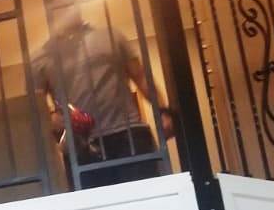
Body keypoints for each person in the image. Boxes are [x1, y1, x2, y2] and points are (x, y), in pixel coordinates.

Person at [30, 11, 173, 189]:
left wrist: (163, 111)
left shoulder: (112, 36)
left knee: (148, 201)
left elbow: (140, 76)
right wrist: (52, 120)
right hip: (82, 146)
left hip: (129, 136)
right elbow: (37, 107)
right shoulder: (39, 58)